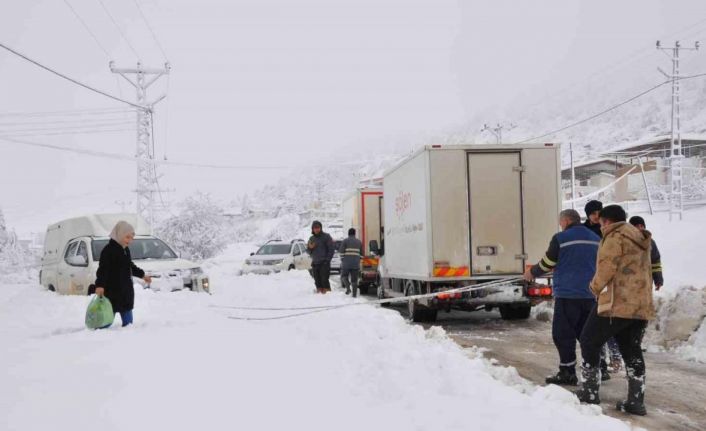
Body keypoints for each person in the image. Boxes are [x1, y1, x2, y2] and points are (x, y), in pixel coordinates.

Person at [576, 205, 655, 416]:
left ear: (607, 222)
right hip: (640, 304)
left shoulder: (614, 236)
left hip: (617, 303)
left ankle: (589, 392)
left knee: (588, 340)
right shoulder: (639, 236)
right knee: (631, 349)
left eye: (601, 222)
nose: (600, 226)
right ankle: (636, 401)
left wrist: (593, 287)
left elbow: (607, 267)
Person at [524, 209, 600, 386]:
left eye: (561, 222)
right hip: (590, 294)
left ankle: (567, 372)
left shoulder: (561, 238)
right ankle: (596, 370)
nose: (560, 225)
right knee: (586, 334)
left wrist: (531, 273)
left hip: (568, 294)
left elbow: (548, 263)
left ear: (566, 221)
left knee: (563, 334)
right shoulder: (596, 238)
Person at [94, 221, 152, 327]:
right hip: (112, 293)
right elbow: (103, 270)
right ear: (119, 235)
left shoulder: (125, 250)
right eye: (127, 237)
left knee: (129, 326)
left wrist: (142, 275)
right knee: (104, 325)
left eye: (132, 238)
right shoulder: (108, 251)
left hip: (125, 293)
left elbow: (129, 265)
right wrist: (100, 285)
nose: (130, 241)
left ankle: (127, 342)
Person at [629, 216, 664, 290]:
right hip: (629, 282)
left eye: (641, 226)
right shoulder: (626, 242)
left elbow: (655, 262)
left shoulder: (651, 242)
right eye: (636, 226)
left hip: (646, 281)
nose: (639, 228)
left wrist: (658, 280)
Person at [307, 220, 335, 294]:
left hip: (324, 263)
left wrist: (327, 260)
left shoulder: (326, 237)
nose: (316, 229)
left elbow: (331, 250)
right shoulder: (311, 238)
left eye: (318, 227)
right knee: (317, 281)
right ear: (312, 229)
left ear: (321, 228)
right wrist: (310, 248)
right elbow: (308, 251)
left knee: (324, 280)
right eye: (314, 228)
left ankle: (328, 296)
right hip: (315, 263)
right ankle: (319, 295)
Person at [339, 228, 363, 297]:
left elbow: (341, 252)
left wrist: (343, 259)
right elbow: (361, 254)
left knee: (344, 276)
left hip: (346, 264)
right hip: (355, 264)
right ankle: (354, 295)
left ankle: (348, 288)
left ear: (348, 233)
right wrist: (358, 259)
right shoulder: (359, 242)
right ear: (355, 234)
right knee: (354, 280)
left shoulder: (345, 241)